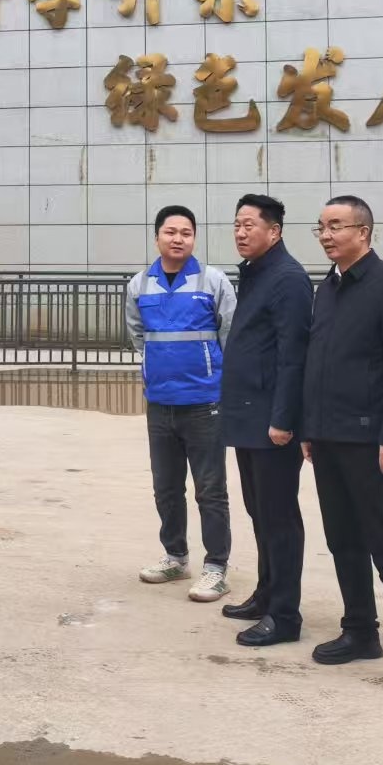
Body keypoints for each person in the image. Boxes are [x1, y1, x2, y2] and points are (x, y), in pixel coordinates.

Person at [300, 195, 383, 695]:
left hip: (368, 440)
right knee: (343, 540)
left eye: (336, 226)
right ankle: (359, 630)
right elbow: (318, 361)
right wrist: (309, 427)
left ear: (364, 231)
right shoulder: (328, 288)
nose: (326, 235)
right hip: (327, 437)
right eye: (321, 227)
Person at [124, 205, 238, 603]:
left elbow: (229, 332)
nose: (178, 239)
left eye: (186, 233)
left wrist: (213, 374)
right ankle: (175, 557)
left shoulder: (213, 280)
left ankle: (216, 568)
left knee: (210, 489)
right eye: (170, 232)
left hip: (204, 402)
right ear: (157, 236)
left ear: (194, 238)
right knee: (166, 488)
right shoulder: (140, 284)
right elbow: (138, 335)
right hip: (160, 402)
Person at [218, 194, 315, 648]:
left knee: (279, 518)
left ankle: (285, 615)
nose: (241, 232)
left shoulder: (288, 279)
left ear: (274, 231)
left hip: (272, 423)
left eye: (249, 225)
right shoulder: (257, 273)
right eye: (237, 224)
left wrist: (284, 419)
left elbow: (293, 356)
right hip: (247, 417)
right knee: (259, 512)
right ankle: (266, 593)